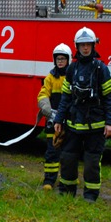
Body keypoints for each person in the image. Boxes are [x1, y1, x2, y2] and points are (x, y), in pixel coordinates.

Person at [53, 27, 111, 202]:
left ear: (93, 45)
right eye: (82, 45)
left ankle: (90, 196)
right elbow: (65, 97)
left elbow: (110, 97)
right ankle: (67, 191)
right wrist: (59, 119)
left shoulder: (100, 69)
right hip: (73, 125)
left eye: (88, 44)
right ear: (77, 46)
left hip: (95, 126)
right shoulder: (72, 68)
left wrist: (109, 123)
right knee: (68, 158)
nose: (85, 48)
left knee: (91, 163)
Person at [36, 43, 72, 190]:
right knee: (52, 152)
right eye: (58, 59)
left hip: (69, 122)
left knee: (68, 153)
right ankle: (49, 181)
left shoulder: (72, 77)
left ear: (68, 60)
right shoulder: (50, 77)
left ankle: (66, 181)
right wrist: (47, 109)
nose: (60, 61)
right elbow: (43, 94)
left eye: (63, 58)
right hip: (53, 120)